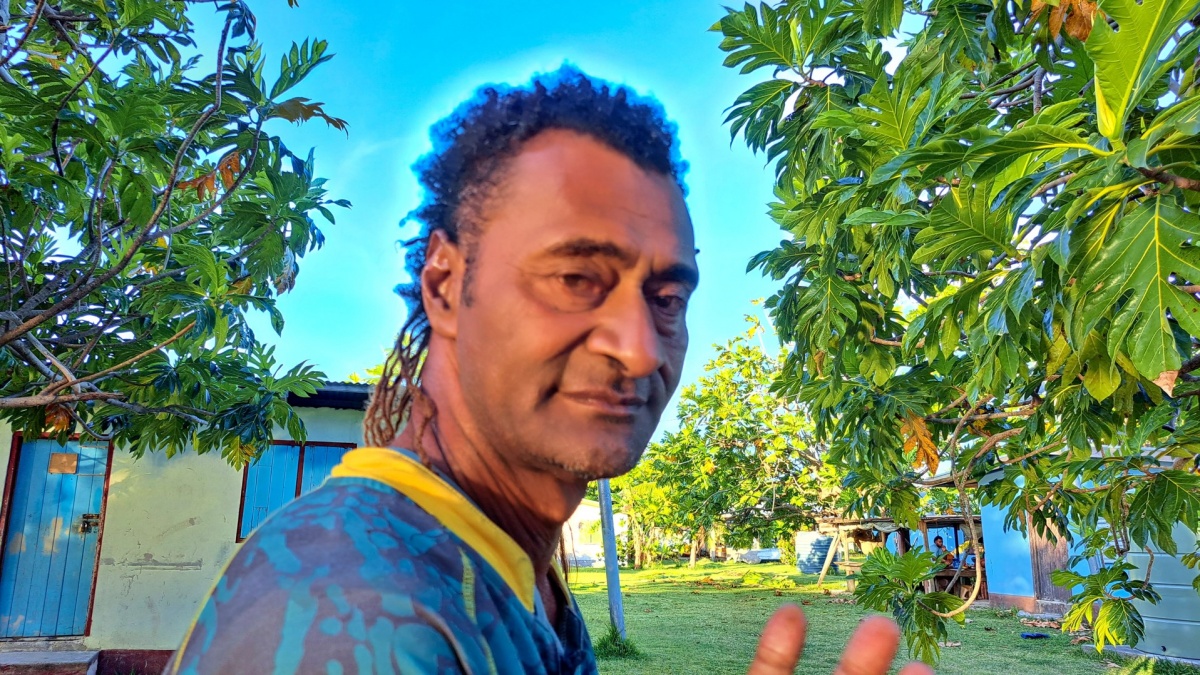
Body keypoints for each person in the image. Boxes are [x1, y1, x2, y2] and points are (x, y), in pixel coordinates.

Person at [165, 67, 932, 675]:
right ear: (445, 285)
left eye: (667, 298)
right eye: (575, 278)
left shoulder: (501, 560)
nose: (641, 348)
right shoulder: (361, 619)